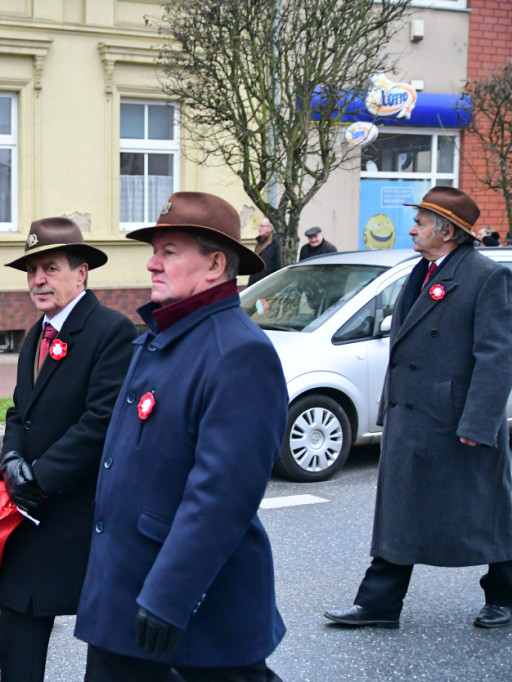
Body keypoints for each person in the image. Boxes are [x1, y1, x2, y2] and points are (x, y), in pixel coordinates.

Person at [75, 192, 289, 681]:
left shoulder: (237, 352)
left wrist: (170, 595)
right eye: (155, 251)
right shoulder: (163, 335)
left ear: (216, 264)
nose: (151, 263)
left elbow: (221, 496)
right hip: (128, 587)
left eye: (169, 251)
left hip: (186, 602)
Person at [325, 186, 512, 631]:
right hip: (413, 415)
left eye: (421, 222)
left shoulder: (486, 276)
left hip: (459, 421)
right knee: (400, 512)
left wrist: (479, 421)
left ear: (446, 231)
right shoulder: (420, 270)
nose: (412, 228)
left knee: (487, 512)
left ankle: (504, 595)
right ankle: (379, 604)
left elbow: (497, 355)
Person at [0, 217, 136, 682]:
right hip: (31, 510)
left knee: (109, 650)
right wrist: (11, 460)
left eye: (50, 268)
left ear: (82, 273)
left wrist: (40, 478)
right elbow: (20, 411)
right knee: (18, 633)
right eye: (32, 270)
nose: (38, 279)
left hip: (79, 514)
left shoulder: (110, 331)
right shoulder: (35, 332)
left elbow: (100, 422)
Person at [248, 218, 280, 283]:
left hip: (268, 284)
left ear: (270, 228)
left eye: (262, 226)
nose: (259, 228)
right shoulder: (259, 242)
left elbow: (278, 266)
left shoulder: (276, 243)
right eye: (259, 226)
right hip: (255, 283)